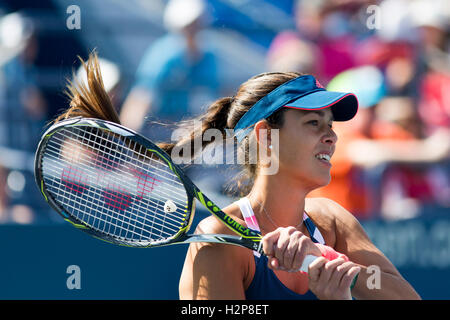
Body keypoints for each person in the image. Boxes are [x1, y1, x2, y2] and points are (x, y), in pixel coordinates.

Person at [57, 53, 420, 300]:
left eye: (330, 125)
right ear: (265, 137)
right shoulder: (217, 242)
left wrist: (335, 269)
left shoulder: (332, 220)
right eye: (313, 124)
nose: (332, 136)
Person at [119, 0, 220, 142]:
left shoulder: (208, 56)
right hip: (155, 128)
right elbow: (140, 99)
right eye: (190, 24)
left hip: (186, 127)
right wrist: (127, 141)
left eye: (197, 23)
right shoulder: (163, 56)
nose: (194, 29)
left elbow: (216, 96)